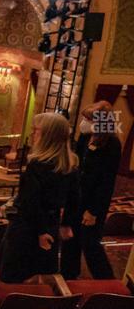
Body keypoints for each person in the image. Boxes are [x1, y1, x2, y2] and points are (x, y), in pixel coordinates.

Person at [0, 112, 79, 283]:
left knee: (10, 277)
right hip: (51, 224)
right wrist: (66, 223)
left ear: (48, 136)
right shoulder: (71, 164)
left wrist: (40, 232)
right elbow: (75, 198)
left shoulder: (36, 165)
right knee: (36, 274)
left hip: (27, 227)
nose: (33, 135)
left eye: (36, 131)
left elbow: (30, 203)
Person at [61, 101, 121, 279]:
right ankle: (68, 277)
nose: (84, 121)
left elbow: (106, 182)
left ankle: (106, 282)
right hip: (76, 197)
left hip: (93, 202)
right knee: (70, 240)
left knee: (90, 243)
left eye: (89, 118)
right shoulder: (86, 137)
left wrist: (93, 211)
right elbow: (77, 165)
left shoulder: (112, 144)